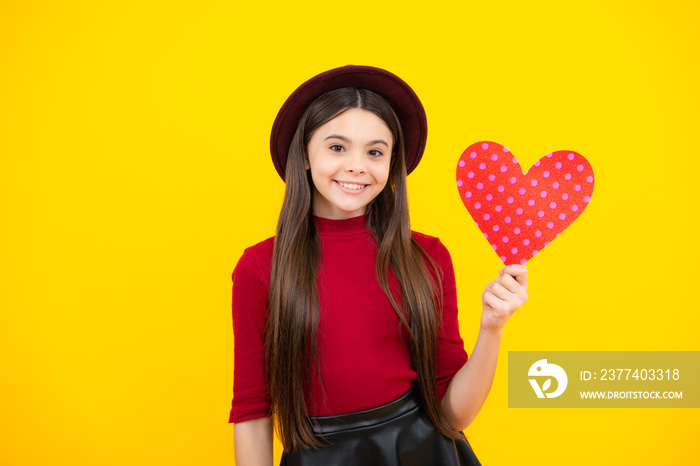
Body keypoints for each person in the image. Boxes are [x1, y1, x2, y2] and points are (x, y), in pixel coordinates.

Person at [228, 65, 529, 466]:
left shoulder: (427, 257)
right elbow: (253, 409)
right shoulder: (260, 267)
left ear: (391, 167)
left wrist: (492, 327)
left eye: (375, 152)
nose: (357, 166)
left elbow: (455, 414)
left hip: (425, 452)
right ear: (303, 153)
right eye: (337, 147)